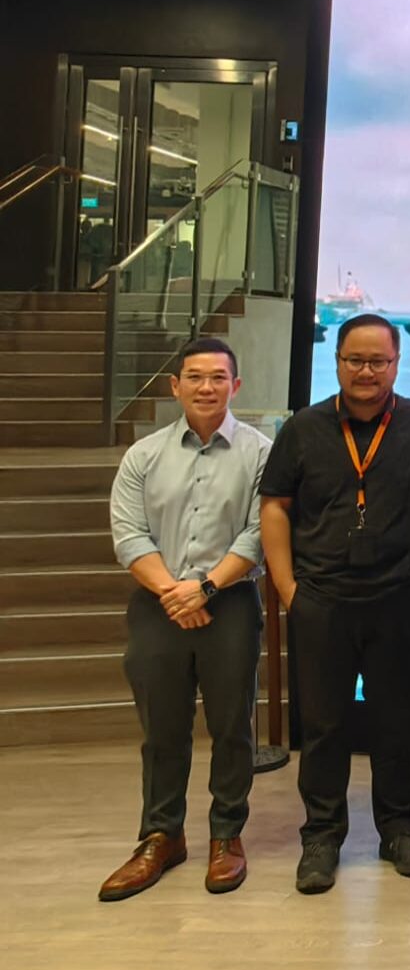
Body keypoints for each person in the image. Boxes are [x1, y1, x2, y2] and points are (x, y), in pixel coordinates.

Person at [260, 313, 410, 894]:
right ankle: (321, 837)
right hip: (323, 600)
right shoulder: (303, 429)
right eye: (354, 361)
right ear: (336, 362)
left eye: (378, 362)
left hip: (398, 599)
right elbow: (275, 508)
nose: (366, 372)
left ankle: (399, 830)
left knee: (397, 721)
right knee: (323, 726)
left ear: (396, 364)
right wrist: (290, 591)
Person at [100, 337, 271, 901]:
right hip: (158, 605)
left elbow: (258, 533)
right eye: (195, 377)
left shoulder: (260, 453)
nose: (206, 387)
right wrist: (176, 592)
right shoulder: (142, 456)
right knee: (163, 729)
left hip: (231, 603)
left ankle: (227, 835)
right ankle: (160, 835)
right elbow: (129, 535)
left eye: (218, 378)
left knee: (231, 726)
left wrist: (205, 587)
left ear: (235, 386)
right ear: (175, 386)